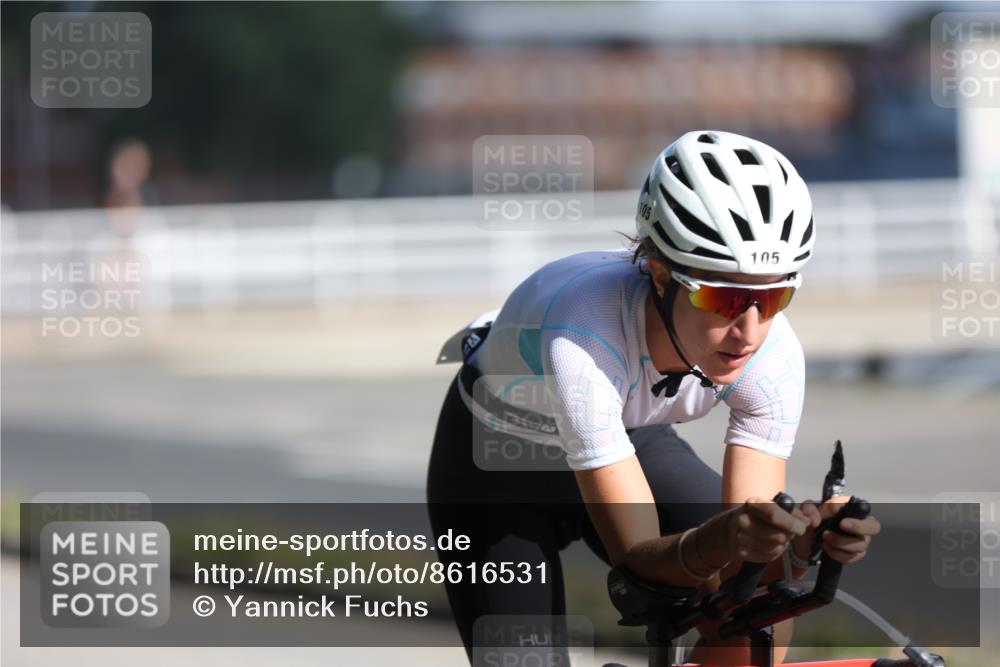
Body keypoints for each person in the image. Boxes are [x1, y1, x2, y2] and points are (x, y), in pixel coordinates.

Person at [426, 130, 881, 666]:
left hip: (630, 438)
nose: (750, 331)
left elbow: (746, 570)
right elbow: (640, 567)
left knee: (758, 607)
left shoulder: (774, 355)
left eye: (775, 296)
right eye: (724, 298)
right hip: (497, 471)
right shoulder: (584, 335)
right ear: (660, 275)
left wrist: (802, 549)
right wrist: (725, 539)